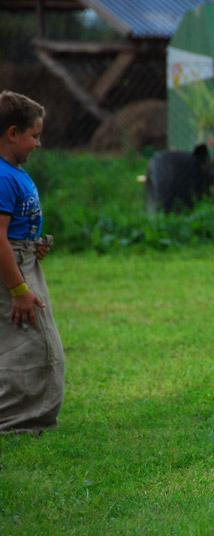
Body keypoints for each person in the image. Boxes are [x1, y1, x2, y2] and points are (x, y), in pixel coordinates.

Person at [0, 90, 65, 434]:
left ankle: (30, 415)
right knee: (30, 346)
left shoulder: (14, 171)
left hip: (23, 260)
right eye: (34, 136)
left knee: (38, 343)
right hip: (13, 272)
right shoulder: (2, 176)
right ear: (12, 133)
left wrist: (31, 244)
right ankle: (15, 420)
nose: (38, 144)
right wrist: (18, 290)